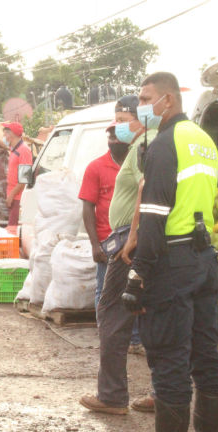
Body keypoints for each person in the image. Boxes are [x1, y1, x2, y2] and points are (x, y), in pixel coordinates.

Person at [122, 73, 218, 432]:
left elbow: (153, 217)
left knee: (169, 357)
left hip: (172, 260)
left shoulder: (166, 143)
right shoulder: (203, 140)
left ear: (167, 100)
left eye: (146, 97)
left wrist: (139, 273)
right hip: (204, 259)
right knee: (206, 353)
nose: (141, 105)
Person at [80, 95, 157, 417]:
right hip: (140, 238)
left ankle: (112, 396)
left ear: (141, 117)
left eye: (123, 119)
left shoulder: (147, 145)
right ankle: (162, 391)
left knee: (112, 314)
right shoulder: (147, 142)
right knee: (152, 315)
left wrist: (134, 234)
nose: (119, 126)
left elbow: (146, 188)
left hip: (131, 240)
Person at [78, 122, 122, 310]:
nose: (114, 140)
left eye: (118, 135)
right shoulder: (96, 167)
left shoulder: (139, 165)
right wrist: (95, 245)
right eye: (111, 137)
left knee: (132, 289)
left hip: (134, 240)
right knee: (105, 290)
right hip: (108, 241)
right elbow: (88, 208)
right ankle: (104, 332)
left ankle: (134, 337)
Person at [3, 122, 33, 226]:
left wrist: (11, 195)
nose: (4, 137)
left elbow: (24, 179)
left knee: (13, 228)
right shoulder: (13, 149)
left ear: (10, 135)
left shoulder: (24, 150)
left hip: (18, 198)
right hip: (13, 195)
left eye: (5, 134)